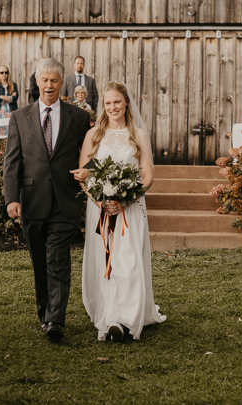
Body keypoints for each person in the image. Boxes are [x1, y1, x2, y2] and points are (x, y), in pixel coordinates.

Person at [3, 58, 91, 342]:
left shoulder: (77, 117)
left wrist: (87, 172)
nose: (50, 85)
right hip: (32, 200)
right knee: (40, 262)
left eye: (55, 80)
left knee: (58, 258)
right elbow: (12, 162)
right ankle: (45, 313)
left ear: (62, 82)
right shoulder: (20, 117)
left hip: (65, 200)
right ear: (37, 82)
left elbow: (89, 152)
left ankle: (55, 320)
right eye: (45, 80)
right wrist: (11, 199)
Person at [78, 81, 166, 342]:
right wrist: (101, 202)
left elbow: (148, 175)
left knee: (127, 262)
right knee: (107, 263)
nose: (112, 107)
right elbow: (84, 175)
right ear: (102, 106)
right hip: (102, 210)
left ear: (126, 102)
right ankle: (111, 314)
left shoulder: (136, 134)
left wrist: (125, 200)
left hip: (130, 208)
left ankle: (125, 319)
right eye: (107, 103)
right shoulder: (94, 135)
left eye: (117, 101)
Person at [0, 65, 19, 144]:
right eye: (1, 72)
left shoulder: (13, 84)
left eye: (6, 72)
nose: (4, 74)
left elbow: (15, 98)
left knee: (10, 130)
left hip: (10, 111)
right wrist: (10, 98)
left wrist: (3, 97)